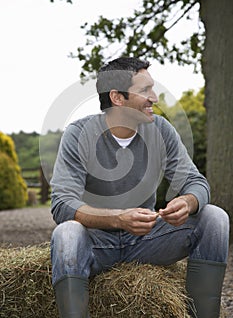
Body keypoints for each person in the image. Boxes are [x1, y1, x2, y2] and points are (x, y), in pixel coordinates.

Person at [50, 57, 229, 318]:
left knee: (214, 217)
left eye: (152, 89)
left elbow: (196, 182)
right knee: (66, 233)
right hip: (96, 243)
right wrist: (118, 219)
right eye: (144, 91)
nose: (154, 98)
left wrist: (188, 201)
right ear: (117, 97)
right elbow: (62, 203)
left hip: (147, 240)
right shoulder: (79, 133)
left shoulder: (161, 130)